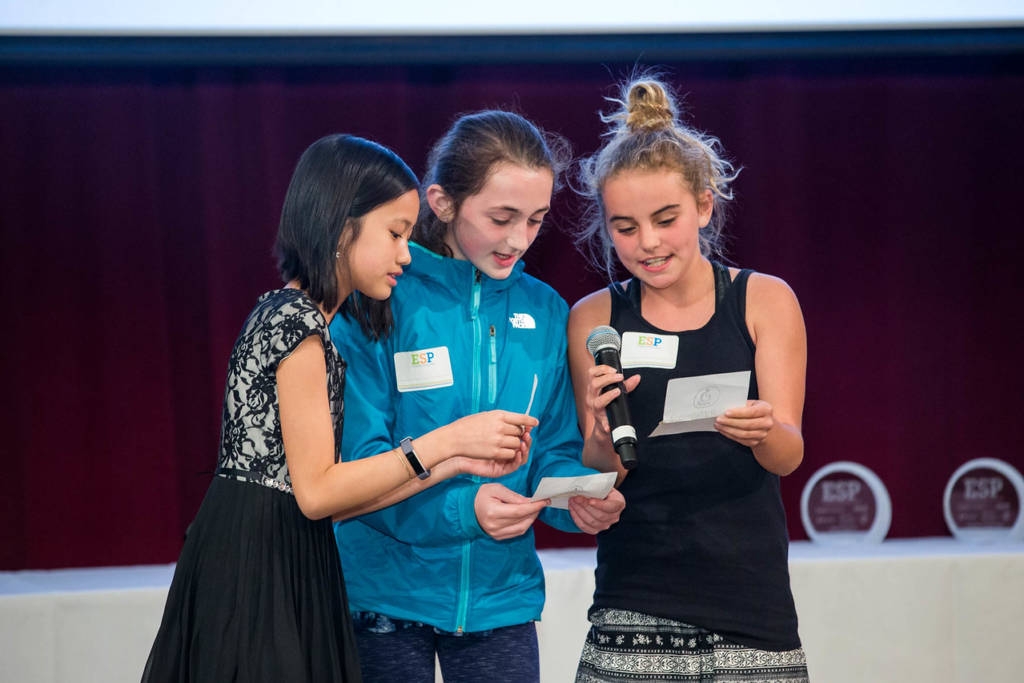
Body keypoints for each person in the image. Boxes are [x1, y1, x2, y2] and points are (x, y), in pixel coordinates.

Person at [141, 134, 536, 683]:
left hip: (289, 555)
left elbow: (346, 502)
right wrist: (446, 441)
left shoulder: (314, 325)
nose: (406, 253)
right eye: (395, 233)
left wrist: (456, 461)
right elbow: (319, 493)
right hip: (258, 565)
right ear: (341, 225)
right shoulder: (297, 325)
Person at [329, 110, 626, 683]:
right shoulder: (377, 297)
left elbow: (554, 451)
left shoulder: (546, 311)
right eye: (501, 217)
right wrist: (466, 511)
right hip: (383, 600)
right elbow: (357, 470)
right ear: (440, 202)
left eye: (536, 220)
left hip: (502, 601)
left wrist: (576, 501)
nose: (519, 240)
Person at [567, 76, 810, 682]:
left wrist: (762, 429)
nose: (647, 243)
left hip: (750, 614)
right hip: (633, 603)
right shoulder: (594, 318)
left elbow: (787, 454)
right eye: (624, 227)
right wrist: (600, 432)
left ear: (704, 205)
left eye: (665, 218)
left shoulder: (765, 300)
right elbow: (604, 470)